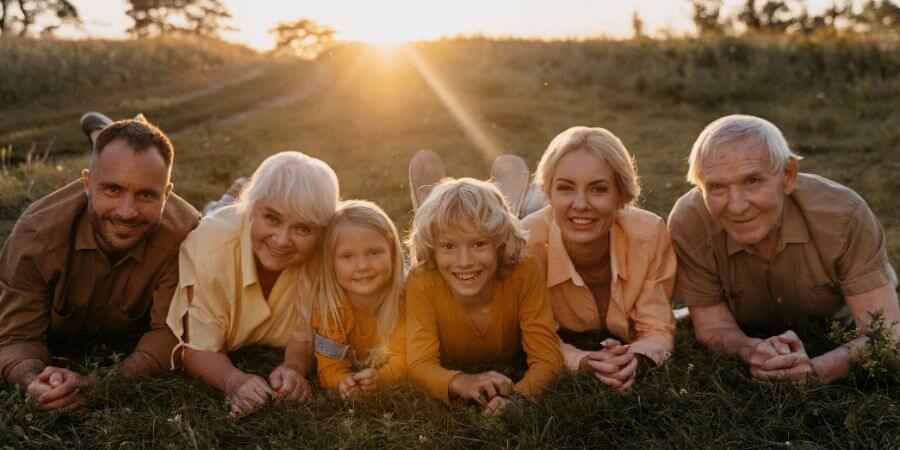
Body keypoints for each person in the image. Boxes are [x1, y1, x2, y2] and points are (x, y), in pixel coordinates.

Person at [668, 114, 899, 384]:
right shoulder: (689, 221)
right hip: (744, 321)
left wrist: (815, 370)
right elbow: (713, 326)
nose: (736, 205)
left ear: (788, 175)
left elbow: (885, 332)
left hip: (838, 319)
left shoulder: (845, 214)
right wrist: (750, 350)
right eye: (717, 186)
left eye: (752, 181)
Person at [0, 117, 200, 411]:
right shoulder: (36, 234)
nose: (127, 212)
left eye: (146, 194)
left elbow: (170, 335)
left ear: (166, 195)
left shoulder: (186, 236)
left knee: (222, 215)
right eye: (112, 189)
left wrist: (100, 384)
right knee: (124, 151)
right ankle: (105, 130)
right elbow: (15, 335)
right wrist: (33, 381)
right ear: (86, 183)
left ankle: (117, 131)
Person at [165, 151, 339, 416]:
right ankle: (231, 195)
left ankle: (236, 195)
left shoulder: (322, 257)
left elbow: (302, 334)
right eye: (272, 218)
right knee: (209, 214)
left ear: (321, 232)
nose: (282, 240)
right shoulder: (206, 251)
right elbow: (197, 348)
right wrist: (235, 381)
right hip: (220, 226)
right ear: (253, 208)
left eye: (303, 228)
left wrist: (293, 366)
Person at [520, 126, 677, 390]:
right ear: (549, 193)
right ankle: (516, 208)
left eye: (598, 190)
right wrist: (582, 361)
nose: (581, 203)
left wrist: (636, 360)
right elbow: (534, 335)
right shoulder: (528, 246)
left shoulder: (649, 234)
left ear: (622, 196)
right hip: (532, 228)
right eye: (565, 188)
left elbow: (657, 328)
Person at [405, 178, 562, 417]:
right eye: (448, 246)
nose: (465, 261)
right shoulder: (422, 281)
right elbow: (419, 364)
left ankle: (523, 207)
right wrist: (461, 382)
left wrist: (518, 398)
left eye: (479, 244)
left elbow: (547, 357)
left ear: (499, 244)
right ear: (432, 249)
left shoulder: (524, 271)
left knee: (526, 215)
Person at [313, 200, 406, 398]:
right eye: (347, 256)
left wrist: (382, 378)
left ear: (392, 252)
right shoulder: (330, 309)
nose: (362, 265)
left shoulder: (405, 300)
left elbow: (406, 357)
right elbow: (328, 365)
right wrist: (342, 381)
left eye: (374, 252)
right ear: (331, 263)